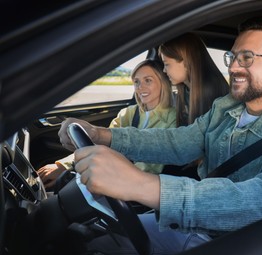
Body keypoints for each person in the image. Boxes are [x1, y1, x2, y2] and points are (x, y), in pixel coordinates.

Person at [58, 16, 262, 255]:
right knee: (87, 240)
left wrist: (142, 186)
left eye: (247, 57)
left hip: (244, 246)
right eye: (233, 56)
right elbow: (177, 142)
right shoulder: (226, 108)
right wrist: (102, 135)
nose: (233, 67)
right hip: (192, 224)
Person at [38, 59, 176, 189]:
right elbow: (100, 145)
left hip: (134, 188)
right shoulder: (128, 113)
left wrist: (96, 174)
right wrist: (64, 166)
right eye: (136, 82)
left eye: (148, 80)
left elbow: (148, 169)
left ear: (163, 82)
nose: (140, 87)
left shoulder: (172, 119)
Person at [159, 32, 229, 126]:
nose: (164, 70)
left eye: (167, 64)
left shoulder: (210, 90)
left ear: (187, 61)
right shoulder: (185, 89)